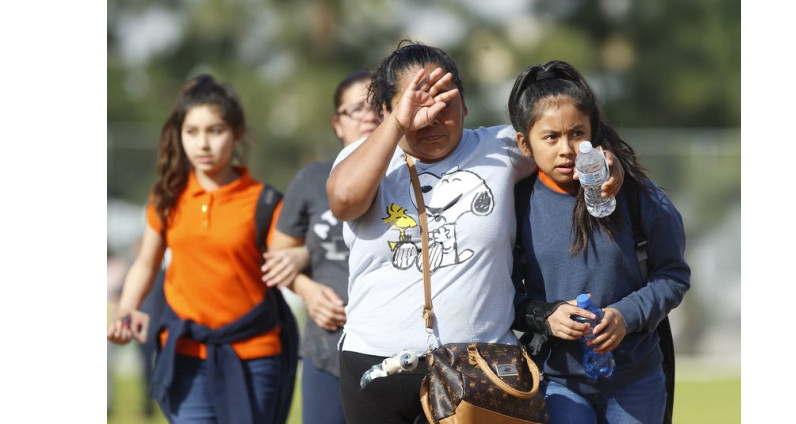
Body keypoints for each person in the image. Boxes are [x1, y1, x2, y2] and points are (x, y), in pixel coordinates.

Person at [324, 41, 624, 423]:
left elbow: (566, 138)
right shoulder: (362, 157)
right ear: (386, 109)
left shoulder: (501, 148)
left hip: (482, 368)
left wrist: (609, 161)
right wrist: (398, 123)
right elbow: (344, 201)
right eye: (416, 103)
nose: (432, 117)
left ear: (464, 104)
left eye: (445, 102)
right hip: (376, 366)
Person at [106, 74, 298, 424]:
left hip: (254, 357)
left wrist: (304, 267)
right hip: (184, 356)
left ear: (237, 133)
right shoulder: (166, 198)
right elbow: (146, 264)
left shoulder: (266, 201)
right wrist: (126, 311)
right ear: (179, 136)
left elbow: (290, 268)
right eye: (192, 132)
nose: (203, 144)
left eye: (215, 130)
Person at [508, 60, 691, 423]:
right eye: (550, 137)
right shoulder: (513, 206)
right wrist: (547, 316)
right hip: (556, 381)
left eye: (577, 133)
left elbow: (673, 276)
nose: (566, 149)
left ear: (594, 132)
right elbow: (503, 296)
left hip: (636, 380)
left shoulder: (638, 195)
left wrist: (626, 316)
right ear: (523, 144)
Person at [261, 69, 380, 424]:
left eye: (379, 106)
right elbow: (277, 258)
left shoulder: (411, 176)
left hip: (395, 353)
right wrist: (308, 291)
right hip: (326, 349)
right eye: (356, 109)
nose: (369, 116)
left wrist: (306, 254)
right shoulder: (313, 179)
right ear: (337, 123)